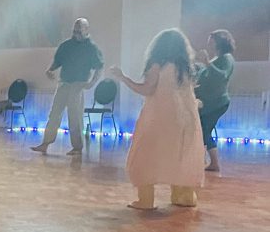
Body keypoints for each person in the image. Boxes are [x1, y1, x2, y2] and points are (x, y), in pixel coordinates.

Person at [108, 29, 204, 210]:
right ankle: (183, 196)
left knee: (146, 155)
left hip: (160, 117)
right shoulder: (186, 68)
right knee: (179, 157)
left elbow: (147, 89)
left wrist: (123, 78)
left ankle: (145, 200)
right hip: (185, 119)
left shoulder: (157, 64)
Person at [31, 17, 104, 156]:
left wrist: (92, 83)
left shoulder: (91, 48)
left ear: (86, 30)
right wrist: (50, 70)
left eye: (79, 31)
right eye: (74, 31)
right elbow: (57, 60)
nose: (76, 34)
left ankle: (77, 147)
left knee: (75, 116)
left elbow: (99, 67)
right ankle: (45, 143)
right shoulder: (66, 45)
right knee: (54, 114)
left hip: (78, 84)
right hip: (64, 83)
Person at [195, 29, 236, 173]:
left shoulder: (226, 58)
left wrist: (206, 63)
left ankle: (214, 163)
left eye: (212, 41)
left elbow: (221, 76)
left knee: (204, 130)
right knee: (202, 129)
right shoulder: (218, 58)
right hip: (209, 103)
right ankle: (204, 160)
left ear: (220, 42)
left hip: (217, 103)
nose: (209, 44)